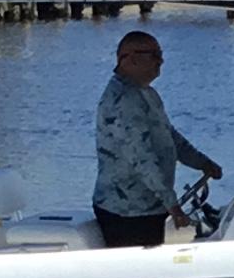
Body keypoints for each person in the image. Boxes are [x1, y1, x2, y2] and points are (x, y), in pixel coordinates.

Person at [92, 30, 222, 247]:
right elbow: (141, 159)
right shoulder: (122, 101)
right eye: (154, 54)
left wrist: (202, 162)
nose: (161, 60)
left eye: (160, 54)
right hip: (127, 213)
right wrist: (173, 206)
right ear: (131, 58)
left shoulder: (146, 94)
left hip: (150, 208)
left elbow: (170, 136)